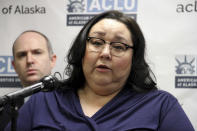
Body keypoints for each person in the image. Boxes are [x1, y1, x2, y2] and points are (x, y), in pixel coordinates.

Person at [5, 10, 194, 131]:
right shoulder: (43, 101)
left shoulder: (161, 106)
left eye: (118, 46)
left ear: (134, 59)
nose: (105, 53)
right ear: (81, 50)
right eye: (96, 42)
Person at [0, 30, 56, 130]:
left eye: (37, 52)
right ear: (14, 66)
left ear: (52, 60)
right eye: (22, 55)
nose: (29, 60)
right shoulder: (4, 112)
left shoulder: (72, 102)